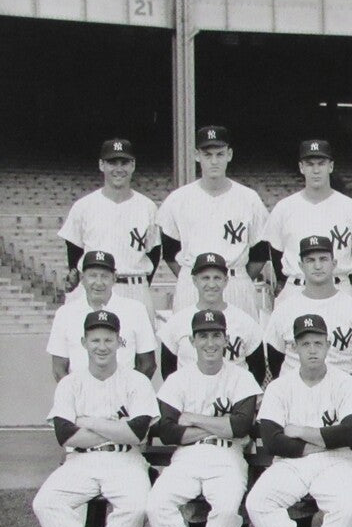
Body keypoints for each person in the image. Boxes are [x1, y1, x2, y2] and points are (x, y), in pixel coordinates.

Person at [32, 309, 159, 527]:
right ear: (84, 342)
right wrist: (117, 427)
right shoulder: (70, 383)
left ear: (119, 342)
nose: (102, 346)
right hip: (82, 459)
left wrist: (88, 421)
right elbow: (65, 434)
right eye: (95, 339)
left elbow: (137, 432)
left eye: (108, 339)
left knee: (138, 506)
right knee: (46, 503)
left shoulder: (136, 381)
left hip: (124, 458)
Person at [245, 314, 352, 527]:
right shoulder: (279, 387)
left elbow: (347, 434)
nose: (312, 349)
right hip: (291, 463)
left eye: (318, 343)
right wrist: (320, 441)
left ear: (328, 346)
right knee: (258, 502)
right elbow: (272, 440)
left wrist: (299, 431)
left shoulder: (345, 383)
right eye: (305, 343)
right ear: (295, 348)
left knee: (346, 508)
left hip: (338, 461)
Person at [146, 309, 261, 527]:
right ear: (193, 341)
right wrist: (219, 427)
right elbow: (168, 432)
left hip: (227, 457)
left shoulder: (241, 377)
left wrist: (192, 418)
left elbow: (241, 426)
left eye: (216, 335)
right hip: (187, 457)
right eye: (203, 336)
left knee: (227, 510)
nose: (210, 342)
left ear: (225, 340)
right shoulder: (178, 379)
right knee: (158, 504)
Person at [156, 125, 271, 316]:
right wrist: (197, 277)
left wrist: (233, 278)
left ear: (230, 154)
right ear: (196, 155)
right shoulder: (178, 199)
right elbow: (169, 252)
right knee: (189, 342)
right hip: (192, 284)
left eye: (220, 154)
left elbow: (260, 253)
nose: (214, 161)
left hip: (235, 281)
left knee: (240, 342)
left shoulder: (248, 198)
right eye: (208, 155)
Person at [60, 137, 160, 322]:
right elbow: (74, 254)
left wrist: (138, 283)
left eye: (124, 162)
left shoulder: (147, 207)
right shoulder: (84, 206)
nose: (119, 168)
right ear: (101, 165)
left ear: (133, 165)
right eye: (112, 162)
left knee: (141, 349)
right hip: (96, 288)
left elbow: (154, 253)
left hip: (134, 286)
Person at [264, 139, 352, 294]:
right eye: (310, 164)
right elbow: (276, 257)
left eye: (321, 163)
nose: (316, 170)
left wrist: (342, 288)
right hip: (296, 288)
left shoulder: (351, 207)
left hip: (339, 287)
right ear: (301, 167)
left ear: (331, 166)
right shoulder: (284, 208)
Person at [264, 236, 352, 382]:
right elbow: (275, 360)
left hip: (341, 392)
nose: (317, 266)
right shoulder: (284, 309)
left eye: (323, 259)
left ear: (334, 263)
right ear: (301, 265)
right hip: (295, 393)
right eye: (310, 260)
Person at [48, 250, 156, 380]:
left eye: (104, 276)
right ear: (82, 279)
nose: (98, 283)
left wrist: (130, 393)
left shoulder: (136, 310)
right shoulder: (65, 314)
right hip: (80, 394)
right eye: (93, 276)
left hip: (124, 394)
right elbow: (59, 369)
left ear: (114, 278)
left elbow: (148, 364)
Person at [157, 252, 265, 381]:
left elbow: (258, 370)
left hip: (232, 395)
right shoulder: (176, 322)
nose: (212, 284)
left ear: (226, 281)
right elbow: (168, 371)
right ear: (194, 280)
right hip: (190, 394)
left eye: (217, 278)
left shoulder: (245, 321)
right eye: (205, 278)